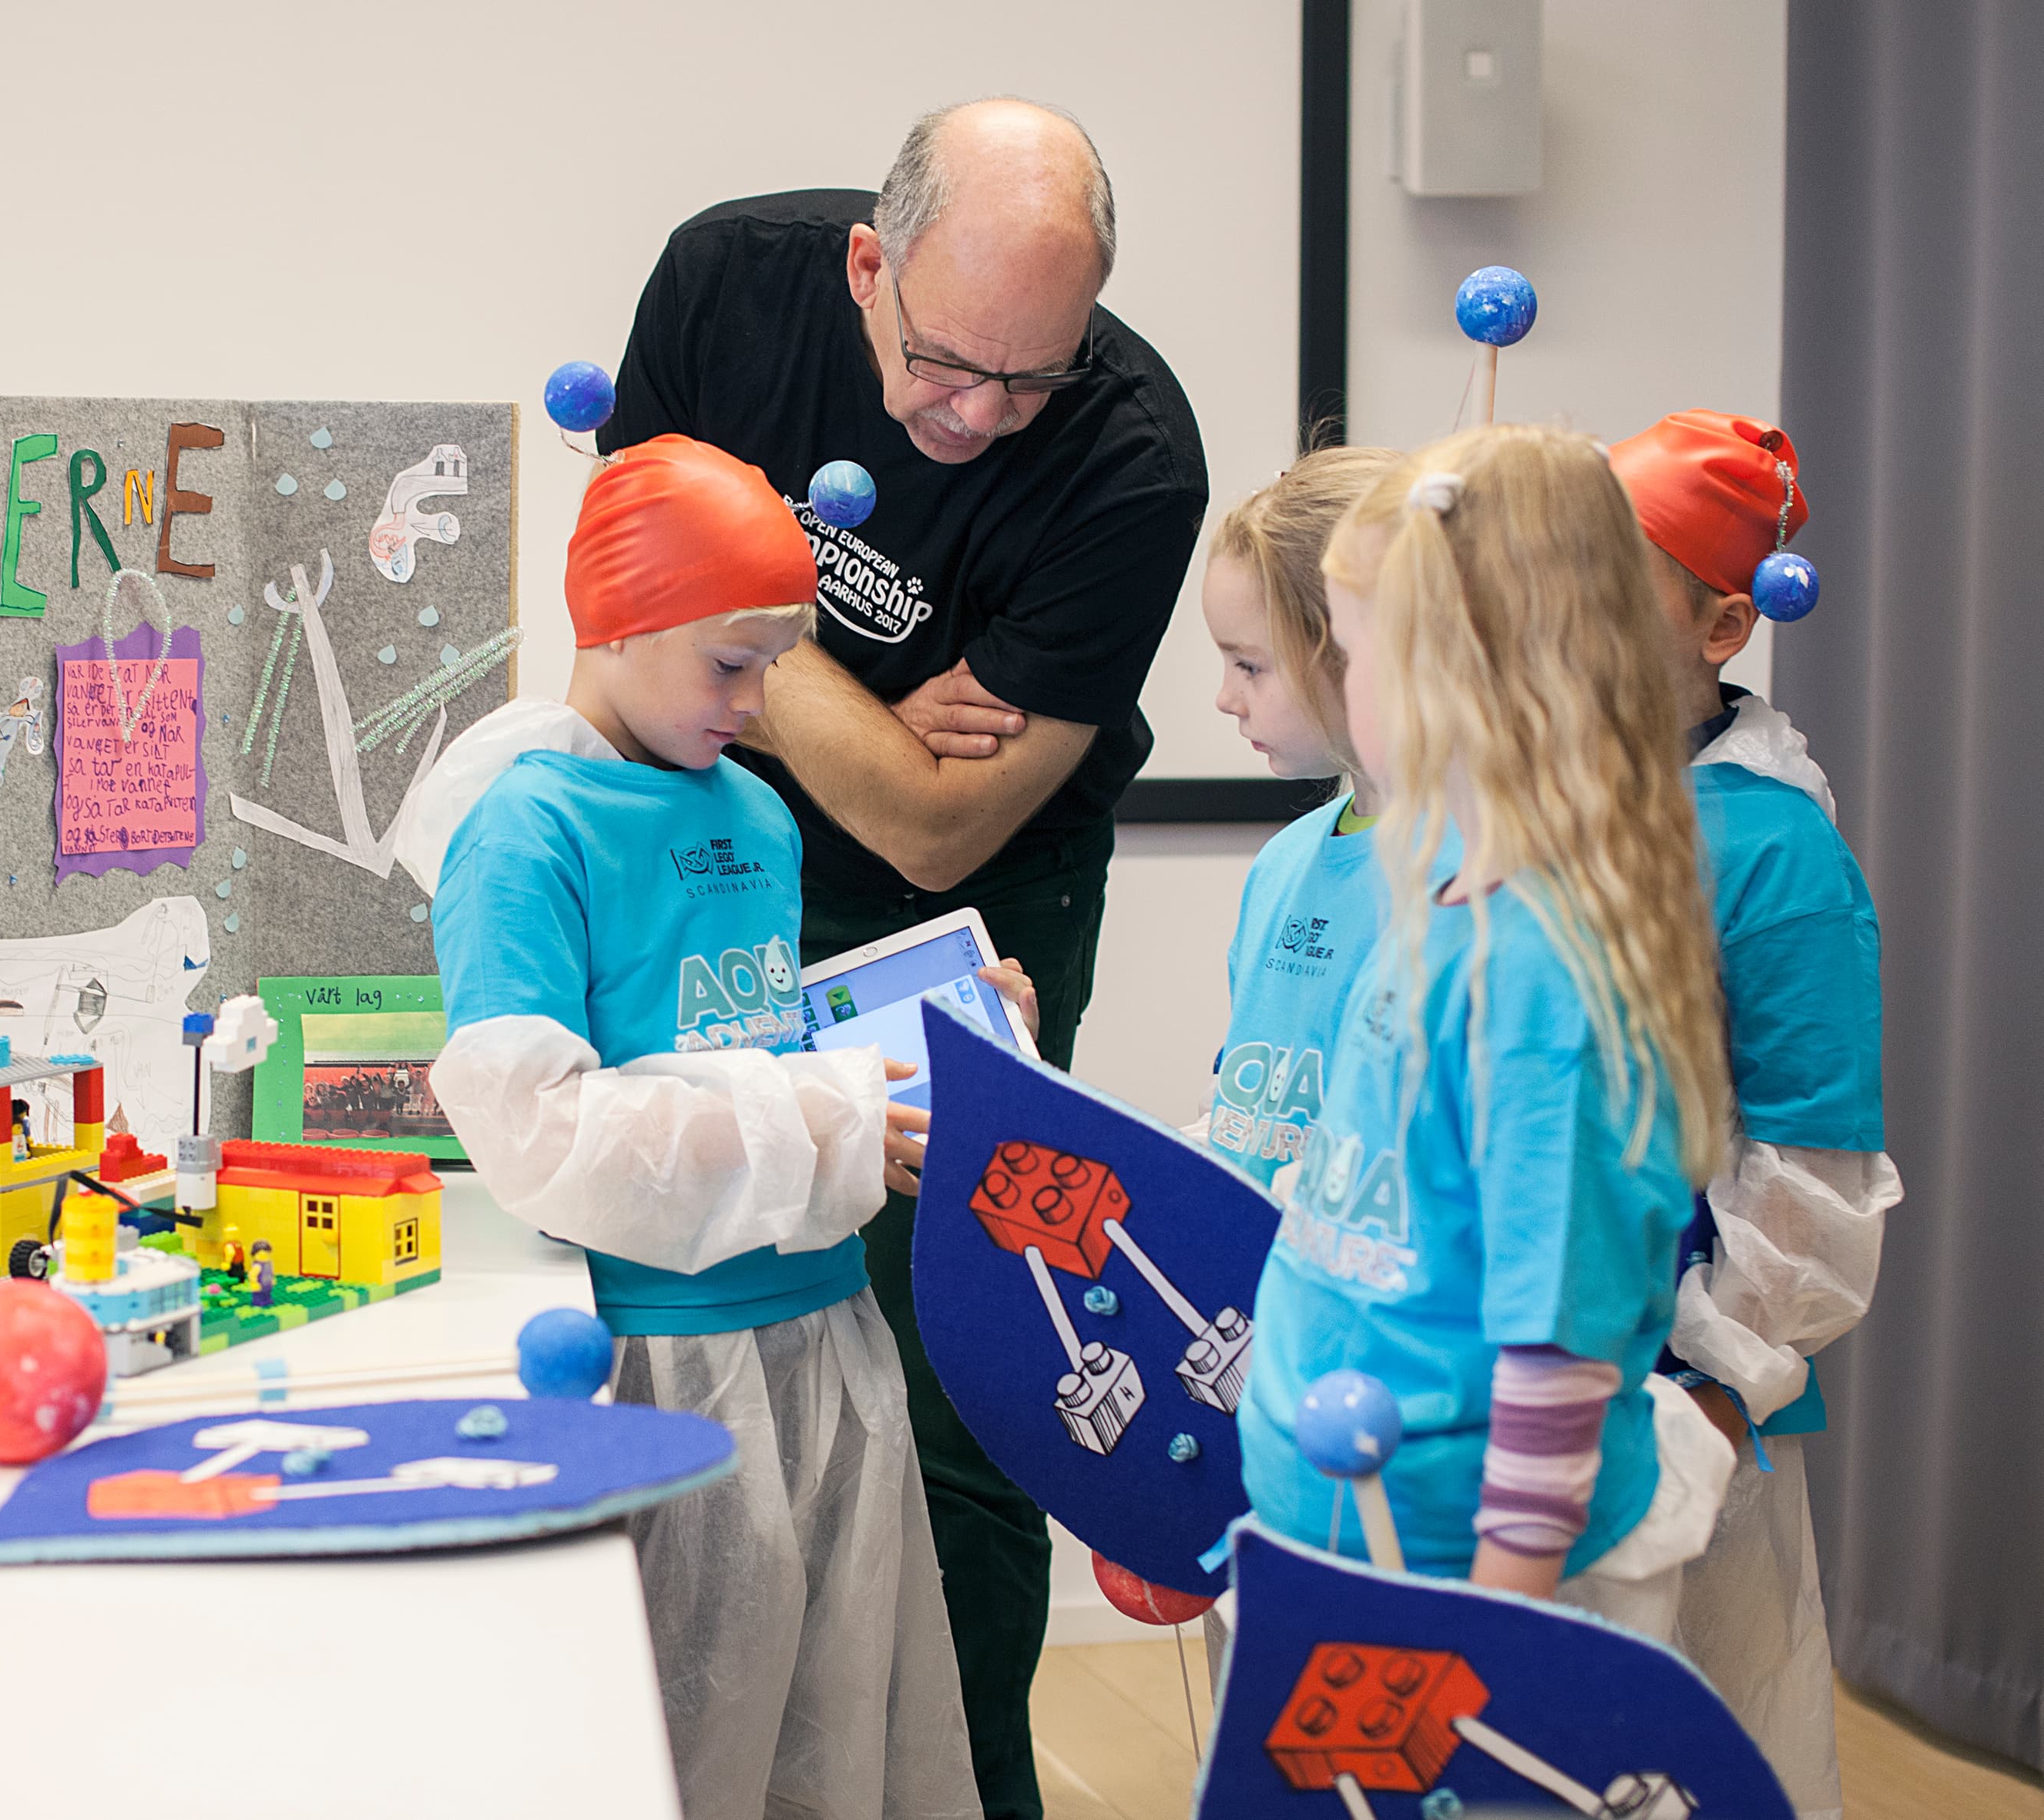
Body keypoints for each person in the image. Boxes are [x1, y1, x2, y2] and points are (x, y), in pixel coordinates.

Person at [599, 99, 1206, 1812]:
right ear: (867, 264)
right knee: (697, 1298)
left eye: (1029, 378)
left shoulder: (1131, 458)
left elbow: (939, 833)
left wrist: (739, 643)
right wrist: (849, 703)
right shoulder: (730, 283)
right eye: (943, 362)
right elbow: (636, 617)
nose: (973, 417)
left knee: (958, 1379)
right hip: (711, 838)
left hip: (986, 900)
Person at [409, 436, 992, 1820]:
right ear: (610, 624)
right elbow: (547, 1137)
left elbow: (750, 1049)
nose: (756, 699)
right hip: (664, 1360)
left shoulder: (758, 816)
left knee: (841, 1724)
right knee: (685, 1739)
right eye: (729, 661)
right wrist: (830, 1115)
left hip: (826, 1329)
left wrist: (925, 1035)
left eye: (775, 663)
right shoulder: (523, 833)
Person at [1241, 424, 1738, 1642]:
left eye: (1352, 652)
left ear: (1452, 680)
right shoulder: (1444, 904)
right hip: (1359, 1547)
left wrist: (1496, 1649)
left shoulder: (1540, 984)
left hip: (1468, 1596)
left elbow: (1557, 1355)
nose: (1339, 681)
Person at [1609, 411, 1901, 1818]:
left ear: (1723, 620)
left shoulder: (1776, 855)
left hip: (1678, 1417)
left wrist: (1708, 1404)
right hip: (1520, 1387)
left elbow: (1813, 1185)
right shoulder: (1536, 799)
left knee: (1688, 1761)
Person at [1196, 447, 1401, 1187]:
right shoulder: (1286, 862)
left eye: (1250, 665)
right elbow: (1243, 1118)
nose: (1226, 697)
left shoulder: (1479, 882)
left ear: (1366, 651)